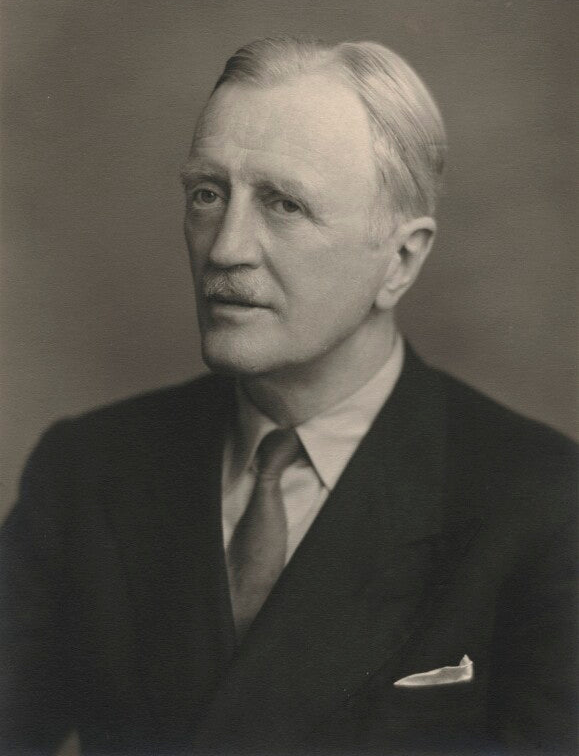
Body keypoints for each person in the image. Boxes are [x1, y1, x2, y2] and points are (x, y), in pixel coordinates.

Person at [0, 37, 576, 756]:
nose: (225, 248)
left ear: (400, 260)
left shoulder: (542, 504)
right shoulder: (87, 472)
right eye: (208, 194)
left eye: (284, 204)